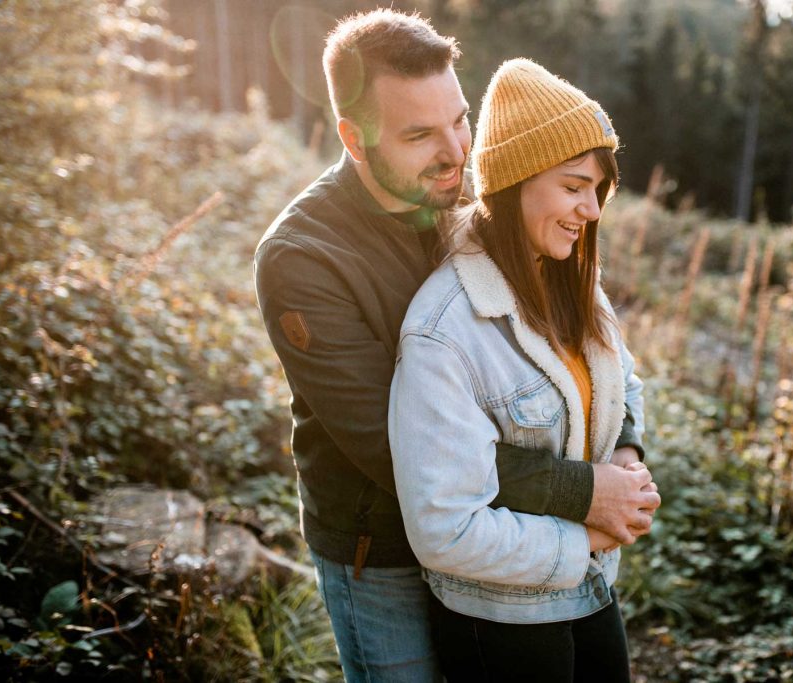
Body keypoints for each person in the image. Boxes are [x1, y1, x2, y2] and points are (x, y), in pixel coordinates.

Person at [253, 11, 659, 682]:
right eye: (420, 134)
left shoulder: (468, 190)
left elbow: (583, 340)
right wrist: (585, 492)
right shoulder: (303, 259)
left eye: (460, 120)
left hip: (506, 543)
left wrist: (623, 443)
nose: (455, 152)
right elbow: (399, 447)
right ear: (356, 139)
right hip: (379, 550)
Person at [388, 58, 651, 682]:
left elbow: (625, 380)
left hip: (589, 592)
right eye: (573, 186)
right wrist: (589, 532)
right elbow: (446, 529)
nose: (590, 210)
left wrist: (627, 461)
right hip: (500, 624)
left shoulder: (570, 281)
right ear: (516, 180)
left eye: (598, 191)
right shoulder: (443, 330)